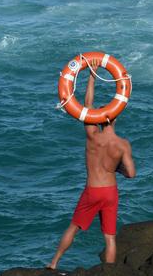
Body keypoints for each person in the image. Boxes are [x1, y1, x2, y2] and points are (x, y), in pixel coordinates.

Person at [48, 59, 136, 269]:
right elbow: (132, 173)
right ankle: (109, 272)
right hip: (111, 191)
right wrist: (117, 168)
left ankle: (53, 264)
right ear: (115, 118)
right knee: (110, 238)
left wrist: (91, 76)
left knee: (74, 227)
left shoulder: (92, 135)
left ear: (100, 118)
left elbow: (87, 106)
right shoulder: (122, 145)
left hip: (93, 190)